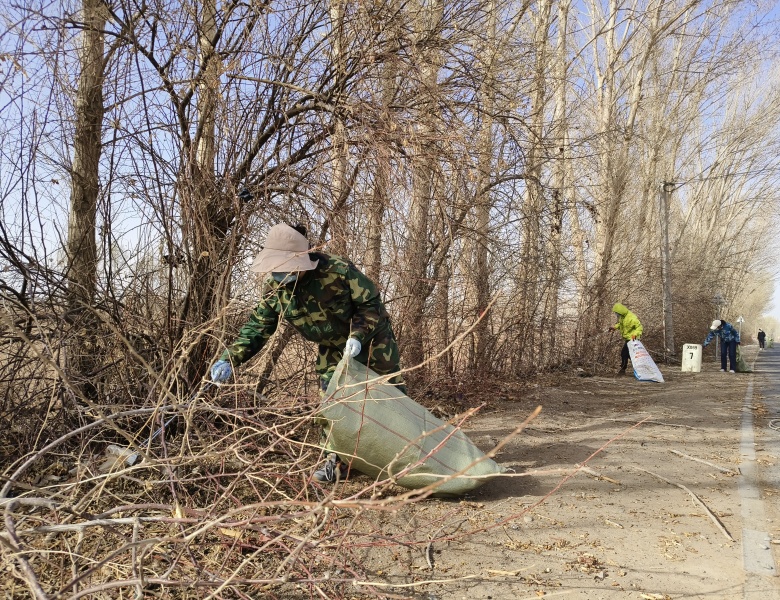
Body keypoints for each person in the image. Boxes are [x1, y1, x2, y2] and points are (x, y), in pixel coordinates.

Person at [209, 223, 404, 483]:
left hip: (371, 340)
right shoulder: (275, 289)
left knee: (390, 396)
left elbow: (370, 305)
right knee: (332, 401)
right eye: (276, 269)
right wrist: (230, 358)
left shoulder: (337, 270)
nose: (280, 274)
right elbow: (259, 325)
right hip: (332, 347)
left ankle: (407, 455)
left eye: (285, 268)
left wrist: (356, 336)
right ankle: (338, 462)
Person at [611, 303, 643, 376]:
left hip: (633, 339)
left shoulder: (631, 318)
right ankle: (639, 368)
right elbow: (621, 324)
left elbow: (639, 327)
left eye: (616, 313)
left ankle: (623, 370)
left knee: (624, 353)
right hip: (628, 339)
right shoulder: (622, 317)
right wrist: (615, 327)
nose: (616, 314)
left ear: (620, 311)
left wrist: (635, 335)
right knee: (630, 355)